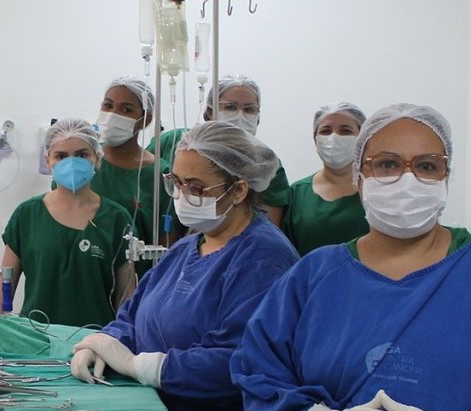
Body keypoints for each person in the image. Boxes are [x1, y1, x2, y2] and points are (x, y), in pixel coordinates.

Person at [232, 103, 471, 411]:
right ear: (359, 177)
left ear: (445, 177)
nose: (407, 180)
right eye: (387, 164)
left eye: (427, 166)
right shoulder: (313, 275)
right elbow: (257, 374)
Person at [71, 120, 299, 411]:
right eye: (175, 182)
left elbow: (238, 363)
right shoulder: (186, 248)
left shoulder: (263, 258)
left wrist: (139, 366)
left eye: (196, 186)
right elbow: (134, 314)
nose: (181, 195)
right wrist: (104, 341)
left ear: (239, 190)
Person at [0, 118, 134, 327]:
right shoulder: (27, 215)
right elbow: (5, 287)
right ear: (48, 161)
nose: (72, 163)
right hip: (36, 338)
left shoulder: (117, 219)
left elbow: (126, 297)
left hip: (95, 339)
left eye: (82, 155)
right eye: (61, 156)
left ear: (97, 159)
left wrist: (122, 339)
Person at [147, 74, 291, 226]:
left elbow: (268, 225)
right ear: (210, 111)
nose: (240, 116)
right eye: (230, 107)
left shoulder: (265, 163)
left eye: (249, 109)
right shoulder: (175, 142)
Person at [92, 76, 178, 277]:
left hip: (138, 279)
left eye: (126, 109)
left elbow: (167, 242)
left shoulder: (158, 174)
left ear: (145, 120)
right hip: (85, 273)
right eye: (108, 105)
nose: (113, 114)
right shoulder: (84, 163)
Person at [282, 102, 369, 255]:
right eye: (326, 131)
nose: (334, 137)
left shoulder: (376, 189)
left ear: (361, 139)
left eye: (345, 131)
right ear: (315, 139)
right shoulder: (297, 194)